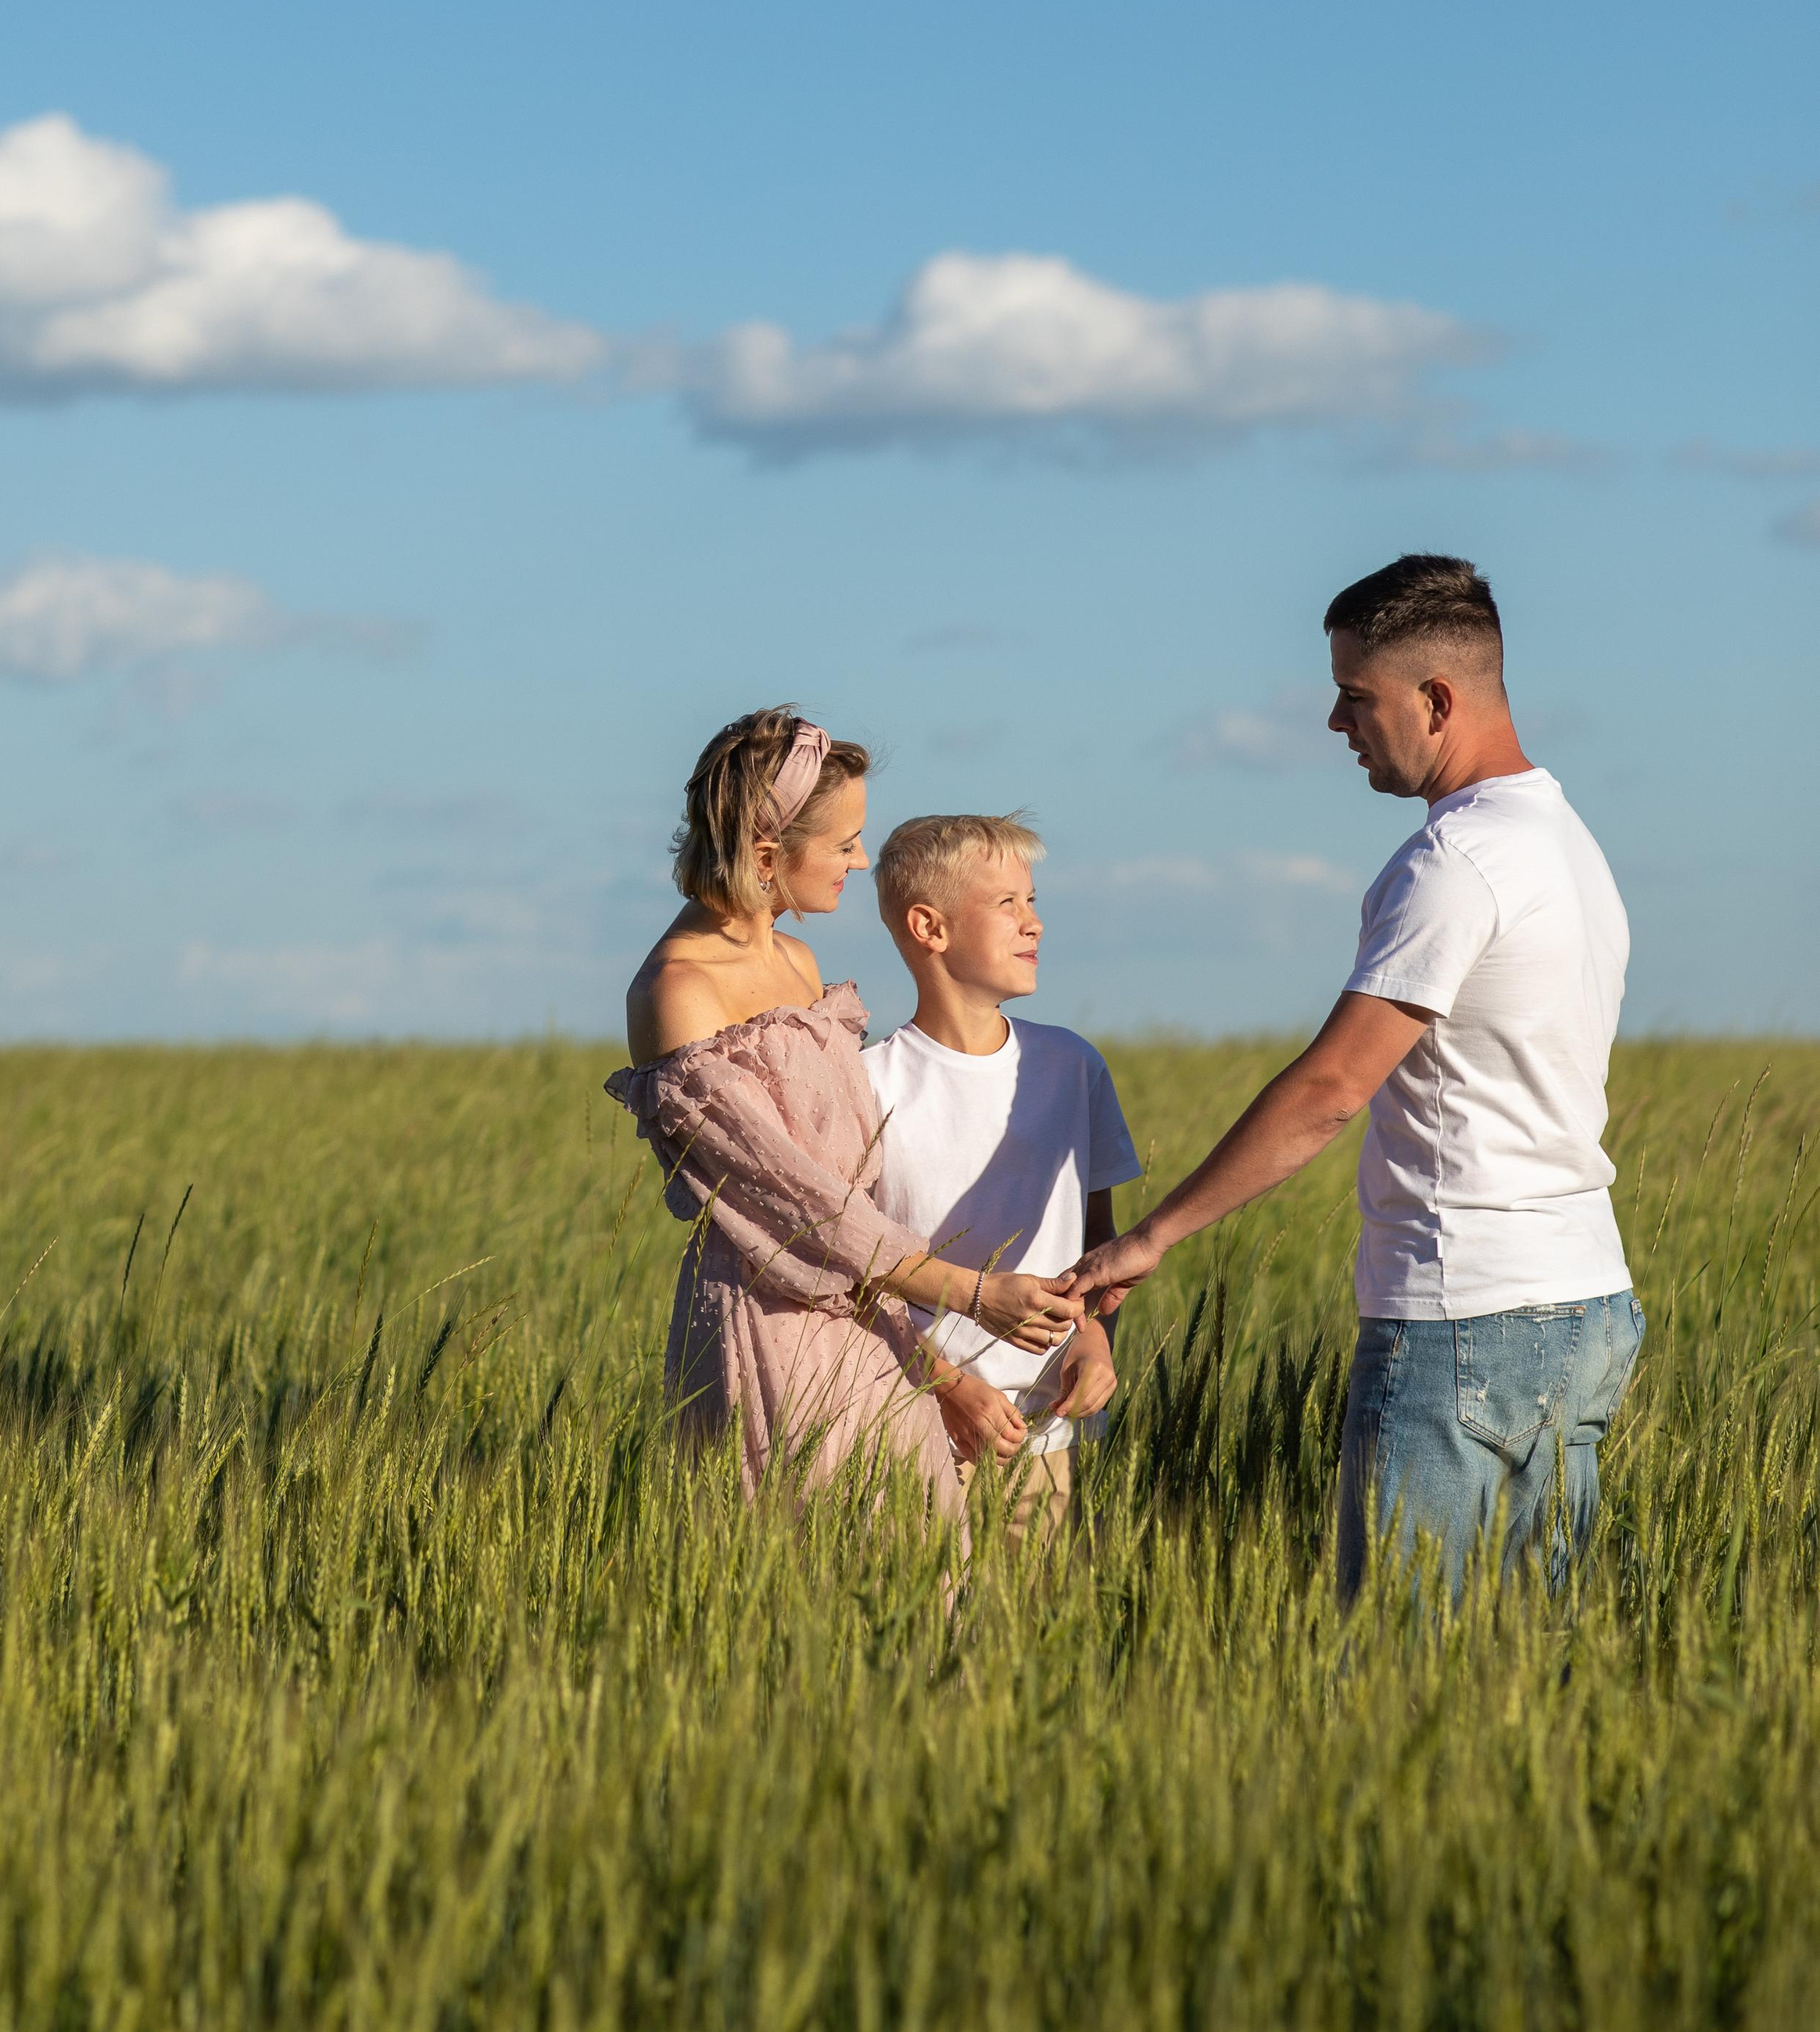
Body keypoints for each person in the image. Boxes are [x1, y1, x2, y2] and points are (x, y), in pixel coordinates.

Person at [1069, 555, 1643, 1604]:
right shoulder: (1566, 841)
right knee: (1537, 1667)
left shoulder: (1455, 864)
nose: (1337, 725)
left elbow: (1334, 1087)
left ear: (1436, 699)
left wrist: (1154, 1235)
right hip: (1585, 1303)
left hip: (1460, 1304)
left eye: (1353, 698)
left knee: (1395, 1667)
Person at [607, 707, 1082, 1513]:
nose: (860, 861)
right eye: (841, 844)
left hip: (872, 1328)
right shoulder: (678, 992)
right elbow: (799, 1205)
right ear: (766, 855)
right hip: (770, 1332)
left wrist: (929, 1361)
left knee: (925, 1575)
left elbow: (854, 1196)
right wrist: (973, 1294)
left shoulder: (797, 961)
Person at [863, 813, 1138, 1547]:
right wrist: (945, 1387)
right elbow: (850, 1276)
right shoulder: (867, 1083)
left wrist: (1096, 1342)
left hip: (1048, 1436)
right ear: (930, 927)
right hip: (910, 1431)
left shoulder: (1073, 1067)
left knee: (1035, 1648)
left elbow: (1098, 1246)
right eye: (1007, 904)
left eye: (1034, 901)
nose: (1035, 924)